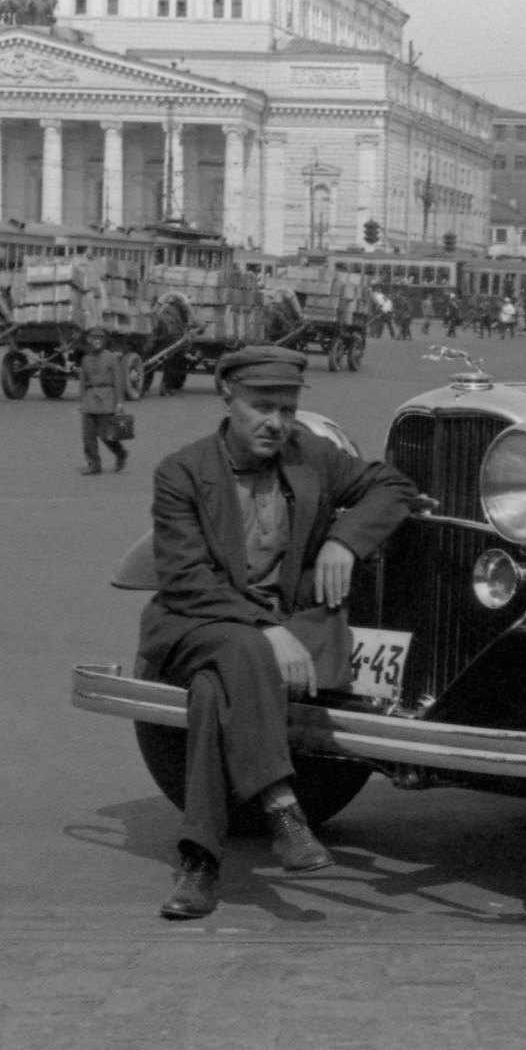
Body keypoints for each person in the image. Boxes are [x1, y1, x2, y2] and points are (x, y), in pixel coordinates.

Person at [138, 345, 420, 918]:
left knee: (216, 691)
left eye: (287, 409)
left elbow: (392, 486)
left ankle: (200, 865)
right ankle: (283, 806)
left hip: (279, 633)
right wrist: (268, 630)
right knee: (241, 648)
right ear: (227, 398)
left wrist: (346, 540)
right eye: (262, 407)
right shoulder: (181, 473)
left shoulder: (309, 457)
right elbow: (187, 581)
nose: (277, 423)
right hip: (200, 622)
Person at [77, 326, 127, 475]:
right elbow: (82, 382)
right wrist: (81, 403)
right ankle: (94, 465)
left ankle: (120, 453)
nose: (97, 341)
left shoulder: (111, 358)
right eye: (94, 338)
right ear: (89, 340)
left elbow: (118, 380)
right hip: (90, 399)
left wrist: (119, 403)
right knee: (88, 436)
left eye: (100, 338)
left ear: (104, 341)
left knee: (107, 435)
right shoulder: (86, 359)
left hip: (107, 399)